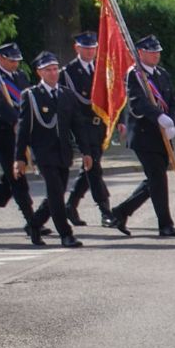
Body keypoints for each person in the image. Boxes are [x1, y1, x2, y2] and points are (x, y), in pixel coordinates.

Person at [109, 35, 175, 237]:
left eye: (157, 51)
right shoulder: (135, 75)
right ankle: (165, 224)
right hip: (143, 135)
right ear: (140, 53)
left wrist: (172, 122)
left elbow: (173, 100)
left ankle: (120, 211)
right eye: (151, 52)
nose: (156, 55)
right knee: (157, 179)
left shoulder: (162, 74)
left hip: (162, 135)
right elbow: (137, 103)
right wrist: (158, 116)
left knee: (155, 180)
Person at [0, 42, 43, 242]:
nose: (15, 64)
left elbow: (29, 100)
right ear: (1, 58)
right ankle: (32, 222)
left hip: (20, 134)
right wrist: (15, 121)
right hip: (4, 134)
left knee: (9, 181)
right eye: (11, 60)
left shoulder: (20, 77)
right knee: (17, 177)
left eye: (17, 61)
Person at [13, 51, 85, 248]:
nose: (53, 73)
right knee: (55, 193)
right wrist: (19, 157)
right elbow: (24, 128)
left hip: (63, 152)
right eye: (48, 70)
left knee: (57, 193)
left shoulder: (66, 94)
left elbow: (77, 126)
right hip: (43, 153)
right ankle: (66, 234)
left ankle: (34, 224)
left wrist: (86, 152)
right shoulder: (31, 96)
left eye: (55, 69)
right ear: (39, 73)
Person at [62, 31, 119, 230]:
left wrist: (115, 118)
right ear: (76, 48)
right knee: (94, 167)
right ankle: (105, 210)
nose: (90, 51)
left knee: (89, 167)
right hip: (82, 125)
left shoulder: (101, 69)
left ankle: (70, 205)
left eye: (93, 48)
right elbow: (73, 101)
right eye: (85, 48)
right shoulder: (68, 72)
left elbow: (110, 97)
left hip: (99, 125)